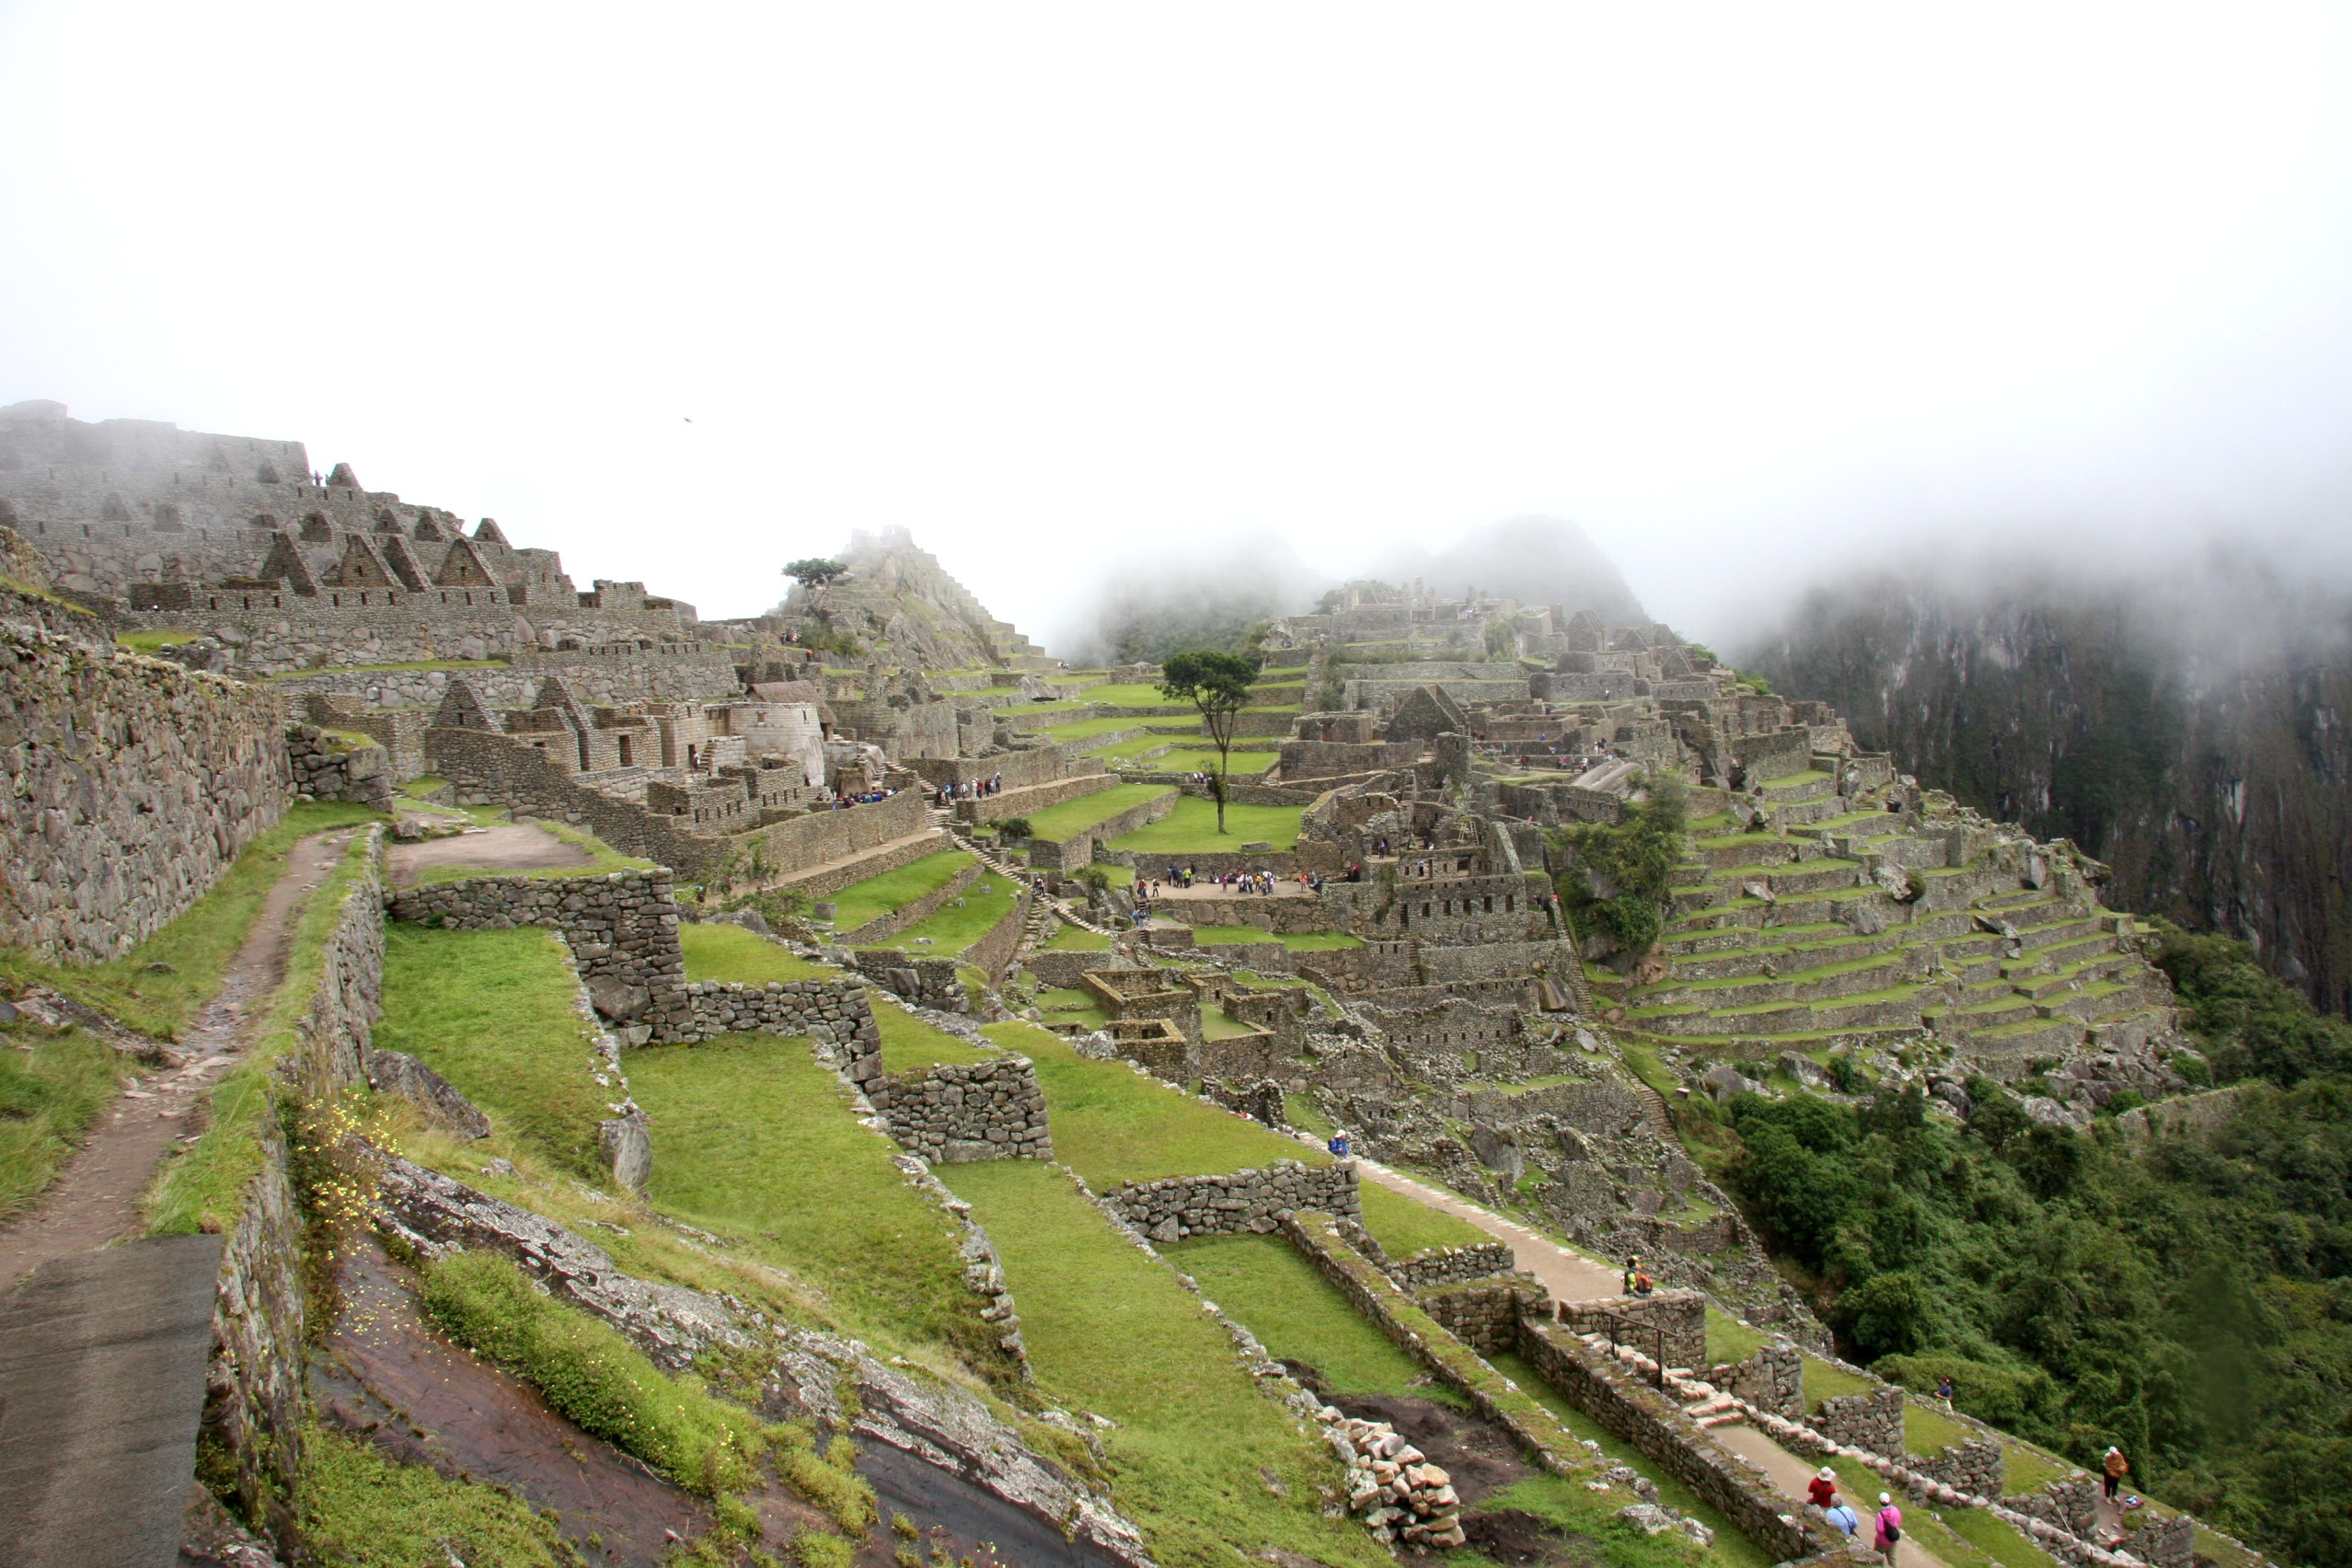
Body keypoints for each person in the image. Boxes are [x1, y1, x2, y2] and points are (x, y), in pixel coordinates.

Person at [1874, 1493, 1902, 1563]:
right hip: (1892, 1539)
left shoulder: (1880, 1514)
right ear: (1889, 1500)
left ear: (1880, 1501)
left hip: (1881, 1541)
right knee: (1892, 1559)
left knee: (1876, 1558)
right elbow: (1898, 1522)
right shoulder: (1895, 1510)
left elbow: (1880, 1530)